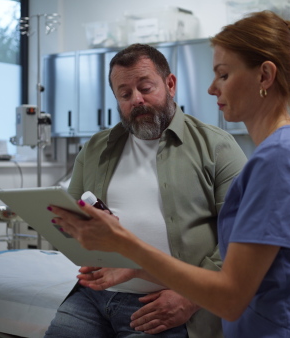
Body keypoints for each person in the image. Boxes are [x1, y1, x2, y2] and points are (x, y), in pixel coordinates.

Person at [50, 11, 290, 338]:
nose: (211, 89)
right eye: (124, 94)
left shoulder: (281, 157)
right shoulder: (280, 151)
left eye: (223, 75)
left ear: (265, 76)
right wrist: (133, 265)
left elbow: (228, 295)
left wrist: (126, 245)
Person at [44, 43, 247, 337]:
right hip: (93, 297)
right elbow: (71, 220)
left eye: (145, 87)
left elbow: (241, 236)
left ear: (170, 84)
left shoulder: (217, 146)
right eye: (125, 94)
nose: (136, 100)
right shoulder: (96, 148)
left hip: (164, 302)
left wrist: (192, 297)